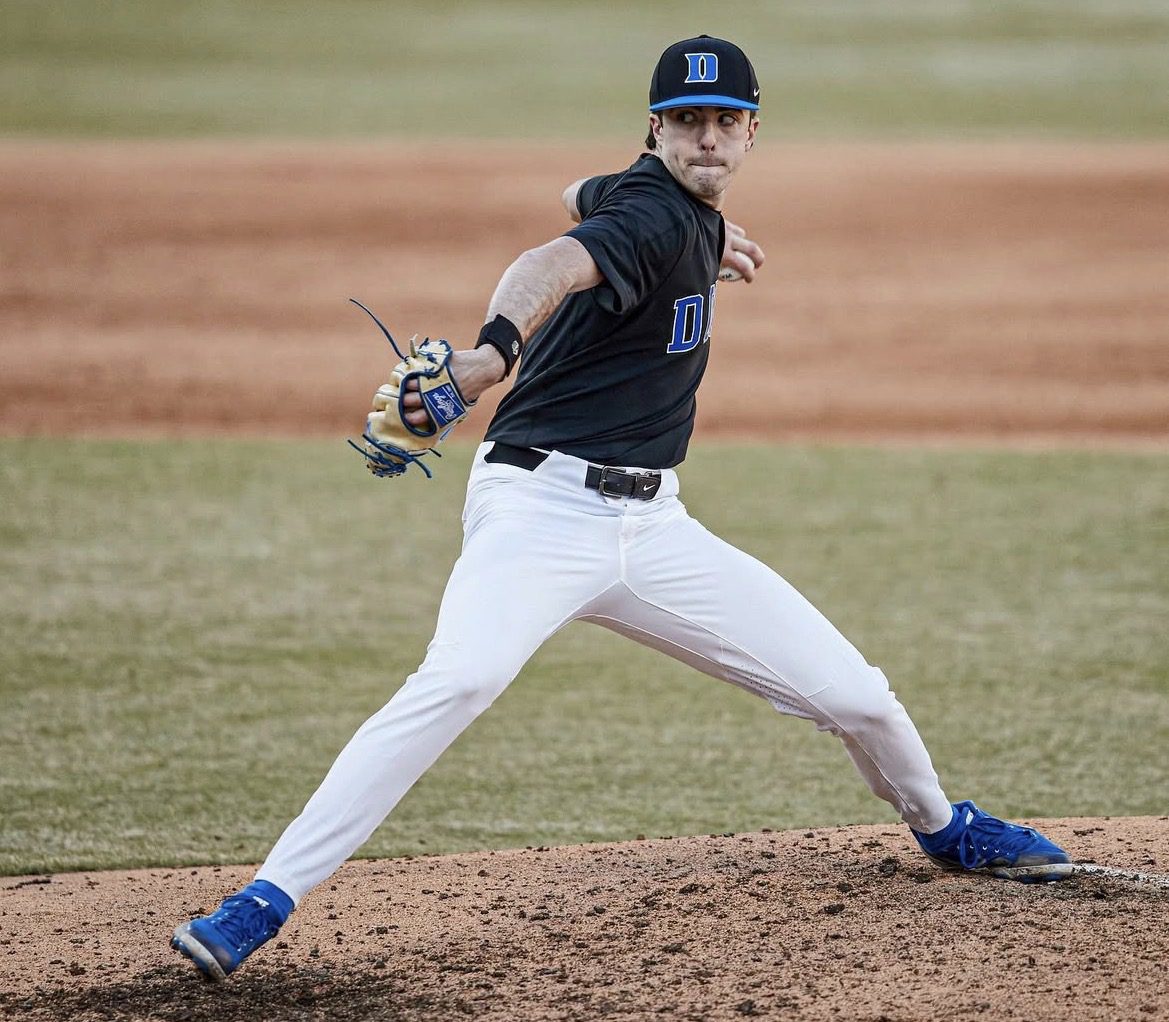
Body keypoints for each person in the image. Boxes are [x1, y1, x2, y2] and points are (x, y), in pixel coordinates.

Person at [171, 35, 1071, 982]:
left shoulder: (649, 197)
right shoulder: (650, 216)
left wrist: (707, 230)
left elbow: (576, 195)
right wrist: (489, 354)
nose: (707, 138)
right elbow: (550, 258)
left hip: (654, 527)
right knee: (460, 680)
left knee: (853, 695)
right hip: (539, 511)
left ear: (753, 132)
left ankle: (944, 829)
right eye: (687, 122)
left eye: (724, 120)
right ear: (656, 128)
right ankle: (261, 902)